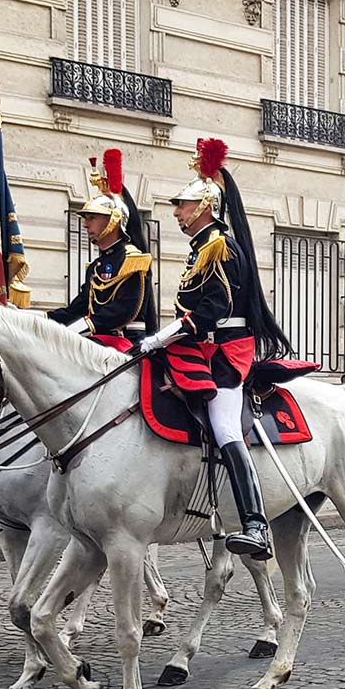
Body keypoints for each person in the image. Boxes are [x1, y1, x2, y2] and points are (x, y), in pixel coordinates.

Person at [136, 138, 292, 559]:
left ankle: (256, 524)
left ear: (204, 207)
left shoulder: (219, 246)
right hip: (200, 347)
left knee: (224, 428)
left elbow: (212, 311)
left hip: (225, 352)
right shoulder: (202, 247)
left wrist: (159, 337)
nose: (176, 212)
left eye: (182, 205)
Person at [50, 149, 158, 352]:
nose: (85, 224)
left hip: (125, 345)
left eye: (92, 218)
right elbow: (77, 309)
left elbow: (123, 312)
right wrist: (37, 319)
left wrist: (73, 331)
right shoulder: (97, 266)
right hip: (97, 342)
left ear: (113, 220)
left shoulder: (132, 259)